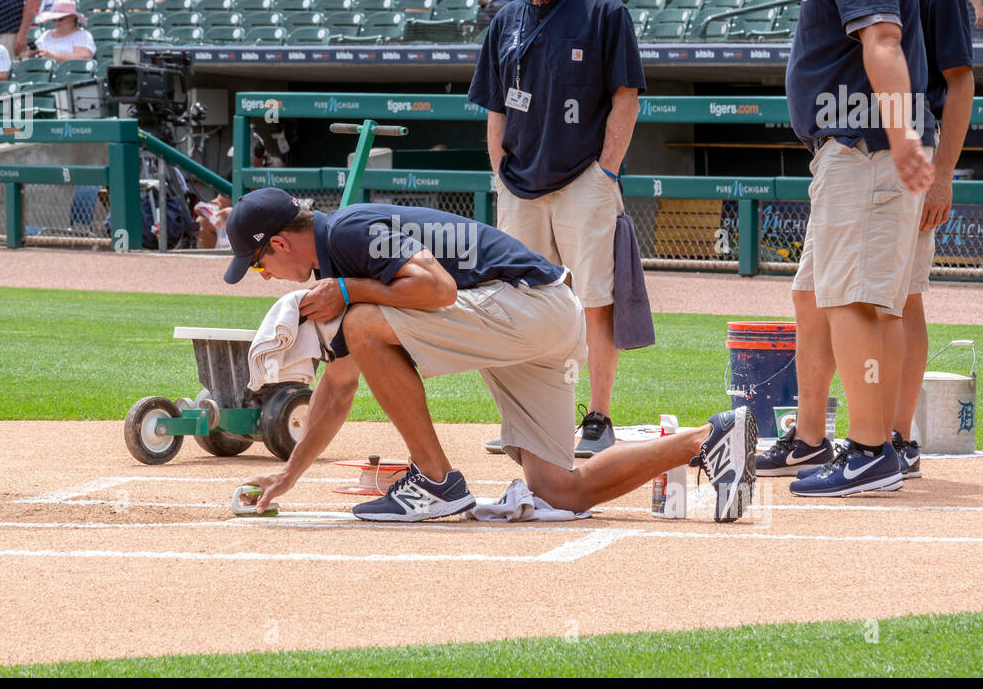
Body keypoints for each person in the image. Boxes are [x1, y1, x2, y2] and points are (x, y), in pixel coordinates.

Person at [228, 188, 757, 524]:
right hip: (537, 318)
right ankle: (710, 437)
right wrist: (289, 476)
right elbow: (340, 385)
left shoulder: (346, 232)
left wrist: (348, 292)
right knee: (558, 490)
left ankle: (435, 481)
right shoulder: (337, 252)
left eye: (256, 266)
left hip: (530, 304)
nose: (264, 277)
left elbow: (436, 290)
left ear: (277, 243)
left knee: (363, 321)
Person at [759, 0, 975, 483]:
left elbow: (881, 40)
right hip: (851, 149)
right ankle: (814, 438)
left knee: (858, 300)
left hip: (867, 149)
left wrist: (907, 136)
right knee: (817, 294)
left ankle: (872, 447)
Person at [468, 0, 645, 457]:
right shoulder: (506, 18)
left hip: (582, 180)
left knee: (593, 298)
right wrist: (498, 166)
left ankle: (598, 417)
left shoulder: (604, 11)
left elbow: (626, 98)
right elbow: (495, 103)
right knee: (518, 303)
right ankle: (528, 420)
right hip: (519, 182)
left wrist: (607, 169)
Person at [28, 0, 96, 61]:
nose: (57, 23)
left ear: (73, 17)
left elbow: (84, 57)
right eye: (54, 20)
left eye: (61, 19)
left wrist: (53, 56)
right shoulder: (46, 35)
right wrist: (30, 54)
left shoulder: (83, 35)